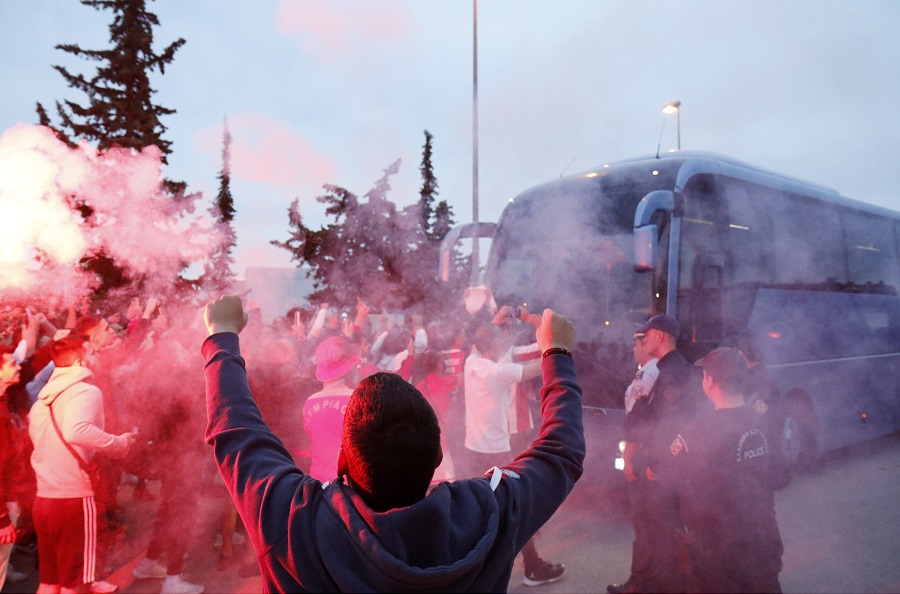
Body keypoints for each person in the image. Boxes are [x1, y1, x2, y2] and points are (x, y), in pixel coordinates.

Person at [201, 296, 585, 592]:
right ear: (437, 457)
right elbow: (561, 450)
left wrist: (221, 336)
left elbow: (235, 431)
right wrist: (557, 353)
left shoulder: (295, 520)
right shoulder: (487, 512)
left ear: (342, 462)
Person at [669, 347, 787, 593]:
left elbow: (671, 479)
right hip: (763, 534)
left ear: (709, 381)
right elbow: (781, 476)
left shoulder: (697, 432)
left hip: (718, 546)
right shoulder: (765, 423)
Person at [28, 335, 136, 594]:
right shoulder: (86, 390)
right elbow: (77, 431)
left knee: (50, 581)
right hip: (73, 501)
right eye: (91, 353)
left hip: (44, 500)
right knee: (74, 585)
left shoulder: (42, 401)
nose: (96, 358)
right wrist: (118, 443)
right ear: (79, 361)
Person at [463, 322, 566, 587]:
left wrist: (492, 323)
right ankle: (532, 568)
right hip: (496, 453)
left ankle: (470, 571)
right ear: (495, 346)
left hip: (472, 448)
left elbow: (478, 344)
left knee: (478, 510)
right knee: (515, 508)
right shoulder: (499, 372)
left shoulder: (470, 364)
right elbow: (534, 370)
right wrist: (553, 352)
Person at [610, 314, 706, 594]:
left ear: (660, 337)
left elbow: (667, 425)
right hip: (667, 465)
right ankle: (651, 582)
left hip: (663, 469)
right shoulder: (671, 369)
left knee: (661, 533)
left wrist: (654, 465)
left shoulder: (671, 373)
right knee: (657, 530)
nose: (643, 340)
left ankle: (662, 585)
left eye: (647, 335)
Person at [615, 327, 661, 594]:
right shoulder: (648, 372)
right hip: (648, 452)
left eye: (637, 344)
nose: (633, 349)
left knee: (643, 522)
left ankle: (639, 584)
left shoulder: (650, 374)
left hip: (642, 452)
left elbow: (639, 422)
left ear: (648, 346)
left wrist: (628, 457)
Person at [303, 336, 361, 481]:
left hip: (318, 482)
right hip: (349, 484)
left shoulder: (309, 402)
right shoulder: (358, 399)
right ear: (349, 369)